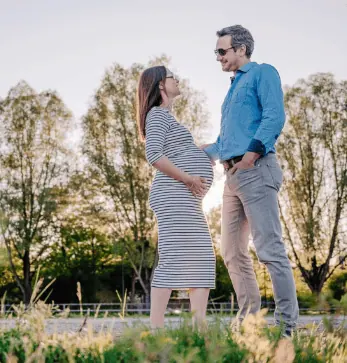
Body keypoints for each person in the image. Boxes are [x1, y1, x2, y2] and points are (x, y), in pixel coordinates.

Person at [202, 25, 299, 336]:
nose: (217, 57)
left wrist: (251, 155)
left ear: (241, 49)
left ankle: (287, 328)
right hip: (231, 178)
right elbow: (224, 142)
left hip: (256, 169)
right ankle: (248, 325)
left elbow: (274, 115)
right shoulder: (232, 90)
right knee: (231, 251)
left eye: (222, 51)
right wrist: (196, 150)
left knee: (269, 249)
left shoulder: (262, 73)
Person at [137, 66, 216, 329]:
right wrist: (189, 178)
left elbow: (174, 151)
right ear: (161, 84)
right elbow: (154, 156)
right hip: (174, 195)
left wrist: (198, 152)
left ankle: (199, 327)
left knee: (201, 256)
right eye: (172, 76)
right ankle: (157, 328)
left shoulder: (167, 117)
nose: (178, 80)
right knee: (173, 258)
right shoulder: (157, 115)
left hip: (183, 198)